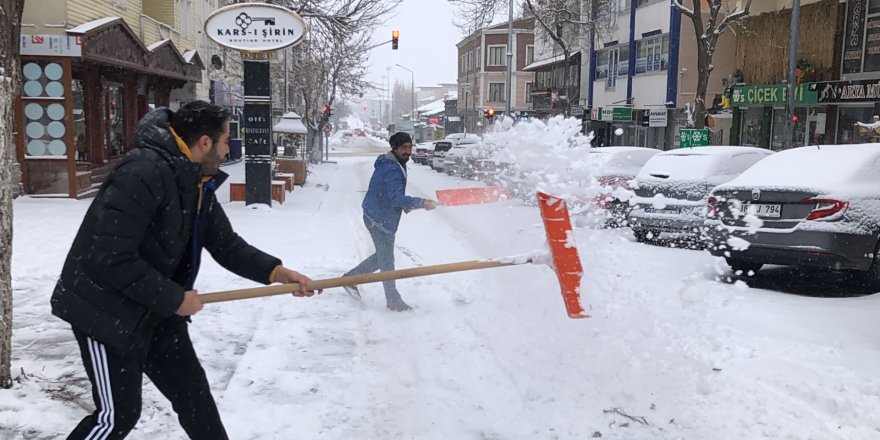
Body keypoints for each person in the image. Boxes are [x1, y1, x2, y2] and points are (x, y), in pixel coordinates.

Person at [51, 100, 318, 439]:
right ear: (204, 143)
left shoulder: (195, 181)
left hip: (156, 311)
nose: (227, 149)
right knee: (117, 416)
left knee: (196, 401)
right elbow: (110, 256)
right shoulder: (142, 172)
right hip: (105, 313)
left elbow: (226, 245)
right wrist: (174, 298)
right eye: (225, 142)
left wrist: (278, 273)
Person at [343, 132, 437, 311]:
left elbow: (391, 194)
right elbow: (396, 197)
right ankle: (393, 300)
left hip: (378, 214)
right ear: (394, 148)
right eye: (404, 148)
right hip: (379, 220)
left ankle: (350, 279)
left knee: (382, 257)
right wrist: (421, 203)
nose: (408, 152)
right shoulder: (392, 168)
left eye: (410, 147)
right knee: (387, 261)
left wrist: (404, 204)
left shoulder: (392, 163)